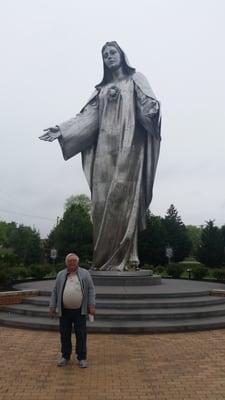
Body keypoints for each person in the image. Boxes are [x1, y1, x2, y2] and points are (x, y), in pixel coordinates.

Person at [40, 41, 161, 271]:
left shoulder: (136, 80)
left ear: (122, 55)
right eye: (105, 54)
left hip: (129, 148)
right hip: (104, 151)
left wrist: (152, 110)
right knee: (101, 203)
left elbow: (148, 105)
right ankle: (102, 258)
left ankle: (127, 257)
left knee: (123, 200)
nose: (109, 56)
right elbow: (87, 119)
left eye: (112, 52)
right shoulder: (100, 90)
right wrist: (62, 130)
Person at [49, 253, 96, 368]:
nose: (72, 263)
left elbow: (91, 290)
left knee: (81, 334)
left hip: (80, 310)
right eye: (70, 261)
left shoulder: (85, 273)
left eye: (74, 260)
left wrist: (91, 305)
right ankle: (65, 356)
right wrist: (52, 306)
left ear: (77, 262)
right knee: (64, 334)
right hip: (64, 311)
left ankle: (82, 357)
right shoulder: (61, 274)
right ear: (66, 263)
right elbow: (55, 291)